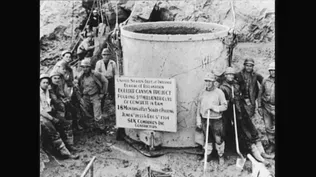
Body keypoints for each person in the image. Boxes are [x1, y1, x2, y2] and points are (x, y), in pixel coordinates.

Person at [219, 67, 271, 163]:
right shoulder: (223, 88)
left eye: (232, 74)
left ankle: (262, 151)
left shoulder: (236, 84)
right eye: (228, 74)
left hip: (242, 111)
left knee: (252, 130)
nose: (230, 76)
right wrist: (230, 102)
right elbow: (223, 104)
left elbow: (242, 95)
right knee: (245, 134)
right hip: (232, 114)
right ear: (225, 76)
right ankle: (256, 155)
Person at [235, 58, 269, 160]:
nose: (249, 67)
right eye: (247, 65)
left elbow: (265, 82)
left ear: (253, 67)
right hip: (240, 104)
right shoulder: (238, 75)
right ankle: (249, 147)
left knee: (250, 123)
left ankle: (260, 149)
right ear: (244, 65)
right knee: (243, 125)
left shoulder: (256, 75)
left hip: (251, 104)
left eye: (251, 65)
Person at [40, 73, 79, 159]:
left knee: (65, 123)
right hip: (42, 116)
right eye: (44, 83)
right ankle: (65, 152)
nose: (46, 84)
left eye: (47, 82)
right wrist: (52, 119)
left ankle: (69, 145)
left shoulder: (47, 91)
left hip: (49, 112)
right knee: (53, 132)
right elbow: (41, 111)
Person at [196, 72, 228, 165]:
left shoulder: (219, 92)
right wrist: (198, 120)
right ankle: (208, 156)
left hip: (216, 119)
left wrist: (214, 108)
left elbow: (225, 106)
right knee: (207, 139)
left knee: (218, 139)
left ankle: (220, 156)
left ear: (214, 82)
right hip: (205, 119)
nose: (208, 83)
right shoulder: (202, 93)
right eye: (206, 81)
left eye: (210, 81)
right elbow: (198, 107)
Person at [49, 70, 80, 153]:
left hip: (60, 109)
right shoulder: (49, 88)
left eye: (58, 78)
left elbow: (61, 95)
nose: (57, 80)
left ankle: (70, 144)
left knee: (68, 121)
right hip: (52, 111)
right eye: (54, 78)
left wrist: (64, 99)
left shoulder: (58, 87)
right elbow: (55, 100)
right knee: (61, 126)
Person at [52, 51, 83, 130]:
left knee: (74, 107)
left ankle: (75, 125)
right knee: (67, 110)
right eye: (66, 57)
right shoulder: (59, 68)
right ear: (63, 57)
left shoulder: (68, 66)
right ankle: (68, 128)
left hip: (69, 90)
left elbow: (69, 79)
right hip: (63, 94)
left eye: (69, 57)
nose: (68, 58)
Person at [77, 58, 108, 133]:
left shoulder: (96, 74)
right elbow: (78, 85)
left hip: (95, 95)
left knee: (97, 115)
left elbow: (105, 81)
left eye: (87, 67)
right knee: (85, 112)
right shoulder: (80, 76)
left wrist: (102, 93)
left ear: (90, 67)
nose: (85, 69)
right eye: (83, 67)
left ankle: (102, 128)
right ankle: (91, 126)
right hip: (85, 96)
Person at [258, 62, 275, 158]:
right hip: (267, 107)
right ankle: (271, 144)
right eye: (271, 70)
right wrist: (259, 106)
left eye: (274, 70)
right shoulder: (265, 80)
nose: (273, 72)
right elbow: (260, 94)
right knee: (268, 127)